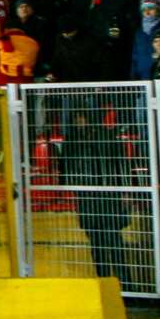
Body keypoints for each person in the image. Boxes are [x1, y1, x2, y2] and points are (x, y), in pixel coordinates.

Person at [64, 102, 130, 285]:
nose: (79, 120)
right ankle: (105, 282)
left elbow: (121, 164)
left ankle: (125, 285)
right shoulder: (72, 141)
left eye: (82, 116)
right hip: (88, 198)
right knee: (96, 242)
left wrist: (125, 190)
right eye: (76, 117)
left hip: (108, 196)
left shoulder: (107, 136)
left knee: (114, 241)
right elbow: (67, 167)